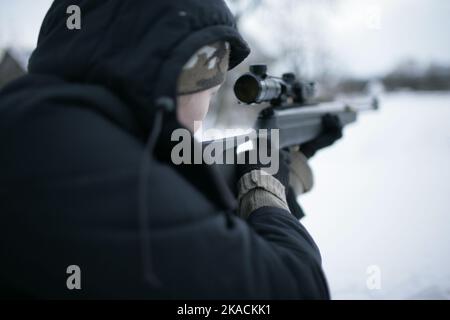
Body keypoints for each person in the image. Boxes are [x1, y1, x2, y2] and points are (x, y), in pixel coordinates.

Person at [0, 0, 341, 299]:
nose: (205, 111)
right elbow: (295, 288)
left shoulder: (40, 127)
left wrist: (286, 175)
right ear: (169, 76)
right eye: (209, 92)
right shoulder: (86, 165)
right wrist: (265, 189)